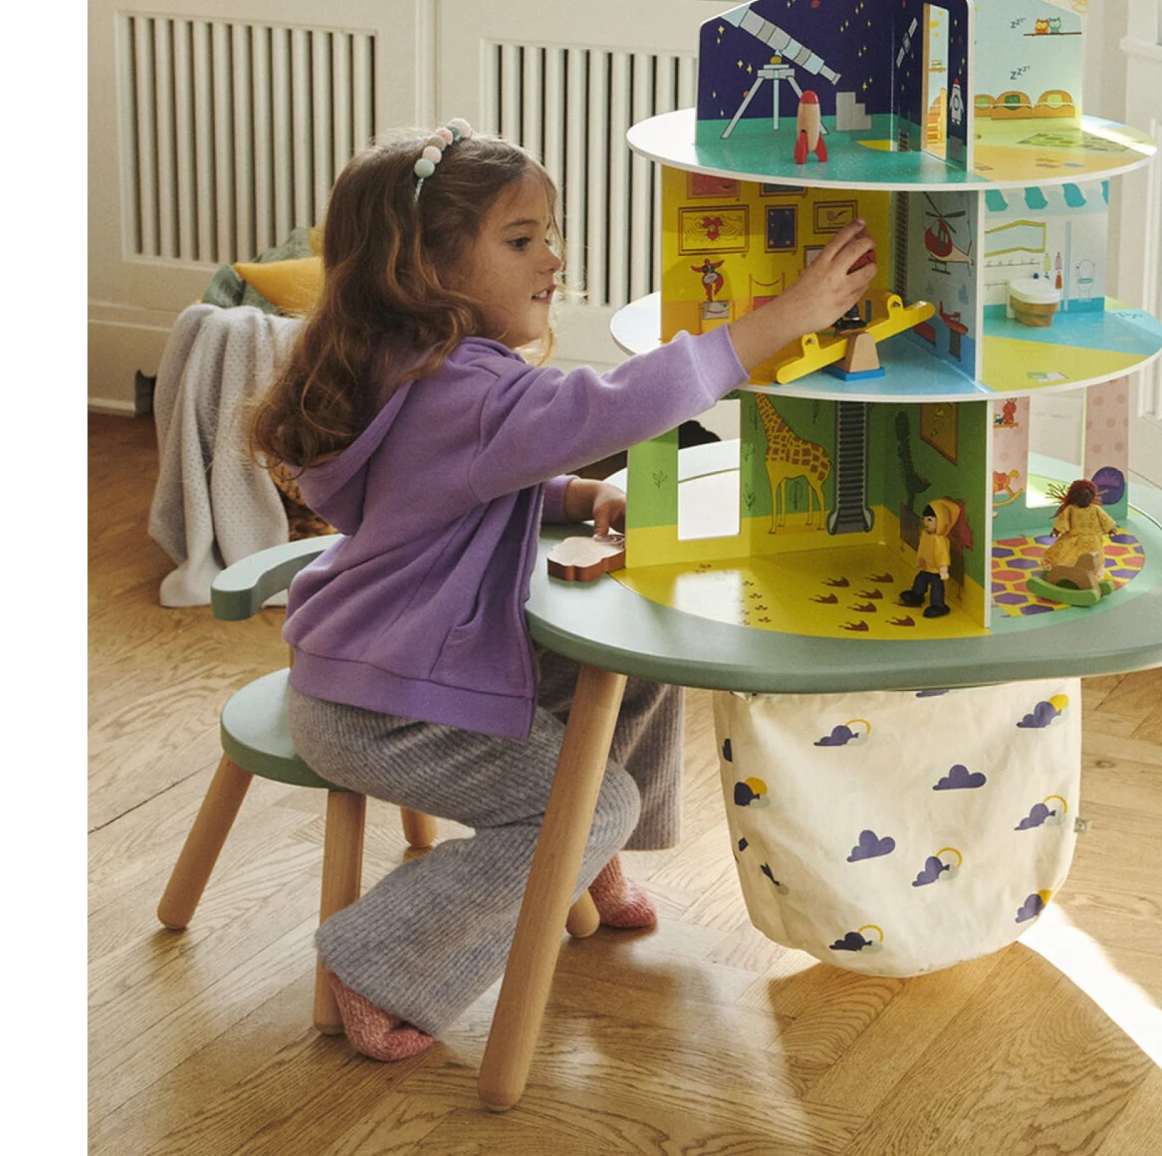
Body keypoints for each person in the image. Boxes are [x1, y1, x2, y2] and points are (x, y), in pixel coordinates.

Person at [250, 121, 877, 1061]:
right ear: (425, 268)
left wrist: (576, 495)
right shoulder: (464, 388)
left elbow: (445, 487)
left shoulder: (411, 363)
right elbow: (617, 404)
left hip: (395, 657)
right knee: (588, 797)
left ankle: (580, 859)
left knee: (632, 658)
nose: (553, 256)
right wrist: (786, 315)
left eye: (549, 233)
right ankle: (382, 959)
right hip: (385, 705)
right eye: (520, 240)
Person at [898, 498, 963, 619]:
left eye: (930, 520)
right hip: (925, 567)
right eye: (925, 519)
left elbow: (942, 555)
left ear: (941, 522)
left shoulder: (939, 540)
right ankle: (917, 594)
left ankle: (938, 605)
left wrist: (943, 569)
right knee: (919, 581)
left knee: (937, 588)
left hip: (936, 571)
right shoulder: (925, 534)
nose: (925, 523)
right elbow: (923, 548)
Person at [1041, 478, 1117, 570]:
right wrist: (1057, 530)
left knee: (1092, 557)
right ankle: (1067, 568)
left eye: (1087, 496)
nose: (1084, 499)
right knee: (1064, 552)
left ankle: (1092, 570)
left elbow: (1105, 520)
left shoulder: (1096, 509)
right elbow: (1063, 520)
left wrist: (1110, 529)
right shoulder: (1070, 509)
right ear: (1074, 496)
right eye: (1080, 496)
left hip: (1093, 540)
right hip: (1073, 538)